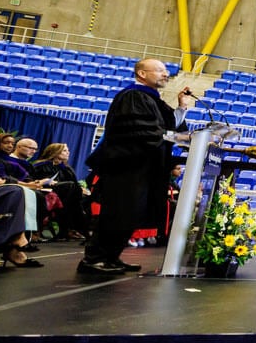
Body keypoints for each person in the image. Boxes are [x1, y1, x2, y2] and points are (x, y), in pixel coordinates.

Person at [80, 59, 190, 275]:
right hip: (126, 166)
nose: (166, 74)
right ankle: (94, 259)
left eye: (166, 70)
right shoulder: (133, 96)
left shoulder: (152, 100)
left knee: (130, 214)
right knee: (117, 213)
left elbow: (166, 127)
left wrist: (182, 107)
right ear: (141, 73)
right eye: (160, 70)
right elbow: (142, 132)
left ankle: (111, 257)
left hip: (142, 168)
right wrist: (170, 136)